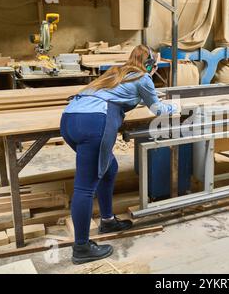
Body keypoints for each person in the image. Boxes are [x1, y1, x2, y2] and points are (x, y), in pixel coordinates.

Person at [60, 45, 178, 264]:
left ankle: (107, 221)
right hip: (93, 122)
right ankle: (82, 248)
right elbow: (159, 110)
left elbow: (117, 95)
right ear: (150, 64)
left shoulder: (117, 72)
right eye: (155, 65)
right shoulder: (143, 77)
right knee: (85, 186)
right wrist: (177, 106)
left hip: (69, 120)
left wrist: (145, 97)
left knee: (109, 167)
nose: (155, 69)